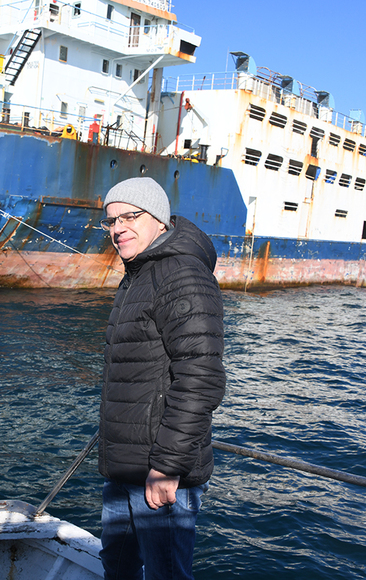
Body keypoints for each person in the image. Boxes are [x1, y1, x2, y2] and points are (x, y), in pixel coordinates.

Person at [97, 177, 226, 579]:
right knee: (117, 569)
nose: (118, 229)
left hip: (159, 472)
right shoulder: (139, 274)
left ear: (158, 219)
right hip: (126, 470)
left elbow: (200, 378)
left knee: (166, 574)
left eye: (129, 216)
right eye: (111, 221)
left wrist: (167, 466)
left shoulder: (180, 275)